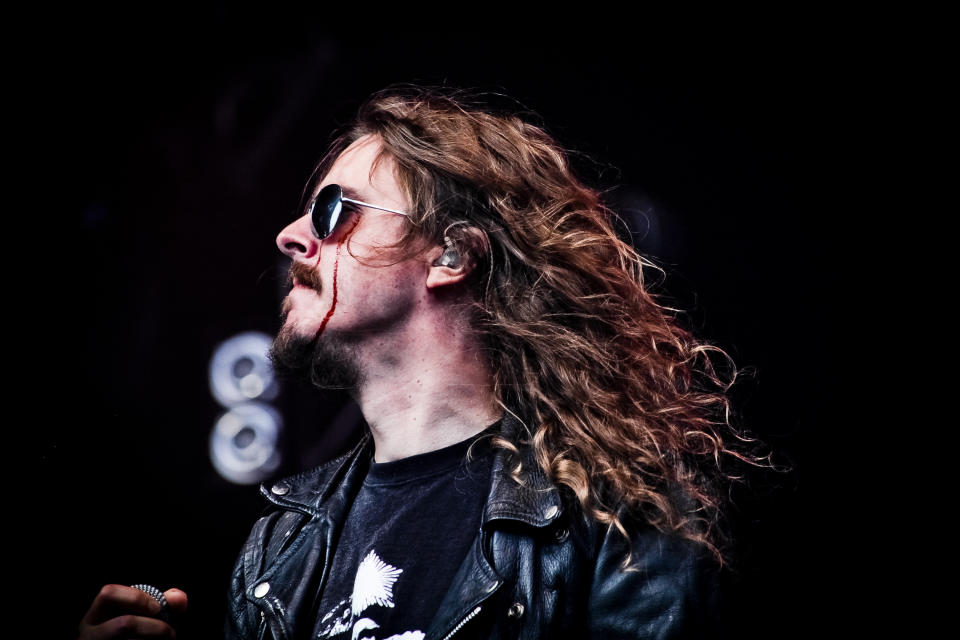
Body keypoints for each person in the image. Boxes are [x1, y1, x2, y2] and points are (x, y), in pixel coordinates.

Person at [79, 84, 758, 640]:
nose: (291, 238)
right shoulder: (278, 547)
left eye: (332, 211)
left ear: (452, 256)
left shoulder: (612, 517)